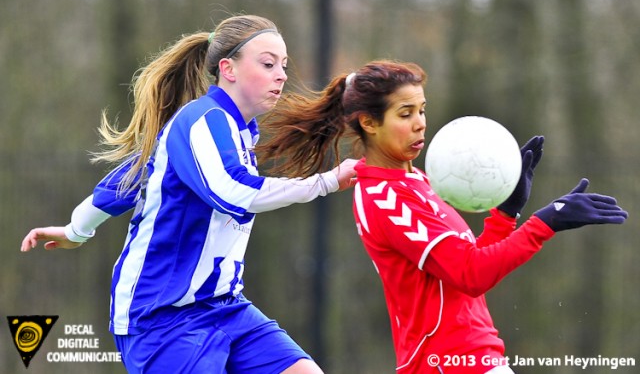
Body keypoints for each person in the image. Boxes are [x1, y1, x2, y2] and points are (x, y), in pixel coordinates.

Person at [20, 14, 357, 374]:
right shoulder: (201, 120)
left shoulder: (241, 131)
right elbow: (234, 192)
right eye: (268, 63)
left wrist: (75, 230)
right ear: (228, 69)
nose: (281, 75)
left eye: (284, 65)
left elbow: (131, 178)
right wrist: (326, 182)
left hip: (225, 307)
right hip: (161, 318)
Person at [255, 59, 628, 374]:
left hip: (474, 356)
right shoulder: (385, 197)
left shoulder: (418, 180)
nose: (420, 123)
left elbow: (467, 273)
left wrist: (505, 213)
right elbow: (471, 274)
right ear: (369, 123)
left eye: (421, 110)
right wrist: (547, 221)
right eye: (405, 114)